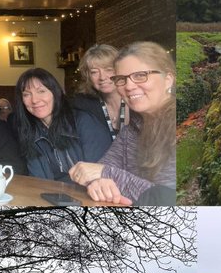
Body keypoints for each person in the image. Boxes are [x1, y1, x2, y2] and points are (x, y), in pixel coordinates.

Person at [69, 41, 177, 206]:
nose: (129, 86)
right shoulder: (134, 126)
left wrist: (106, 174)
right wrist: (99, 184)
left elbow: (169, 199)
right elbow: (103, 167)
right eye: (121, 79)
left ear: (168, 79)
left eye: (140, 75)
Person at [11, 68, 112, 181]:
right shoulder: (30, 132)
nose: (34, 100)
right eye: (27, 94)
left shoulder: (83, 122)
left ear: (55, 92)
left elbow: (102, 173)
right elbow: (38, 180)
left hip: (94, 193)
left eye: (41, 91)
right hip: (53, 195)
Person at [71, 44, 126, 139]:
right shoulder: (82, 105)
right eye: (94, 72)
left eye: (109, 70)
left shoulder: (136, 101)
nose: (102, 77)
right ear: (88, 76)